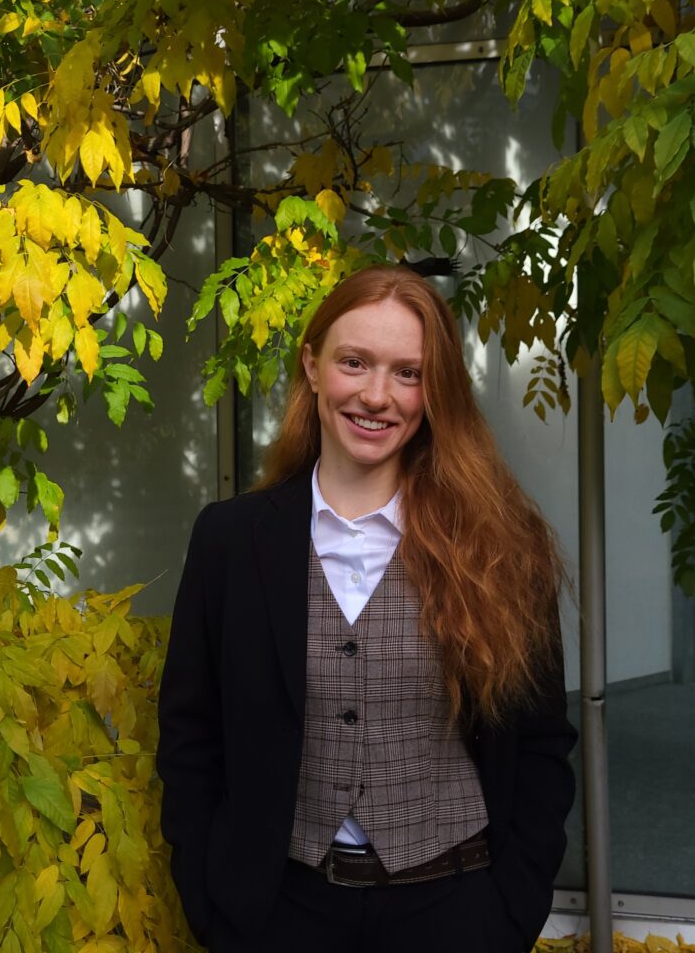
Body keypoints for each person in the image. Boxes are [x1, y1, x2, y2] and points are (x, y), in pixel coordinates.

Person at [157, 265, 577, 953]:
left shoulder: (501, 546)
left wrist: (509, 914)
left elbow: (540, 743)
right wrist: (212, 906)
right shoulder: (230, 541)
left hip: (456, 910)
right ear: (313, 367)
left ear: (434, 390)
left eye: (408, 373)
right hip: (278, 916)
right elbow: (190, 736)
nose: (378, 396)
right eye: (355, 363)